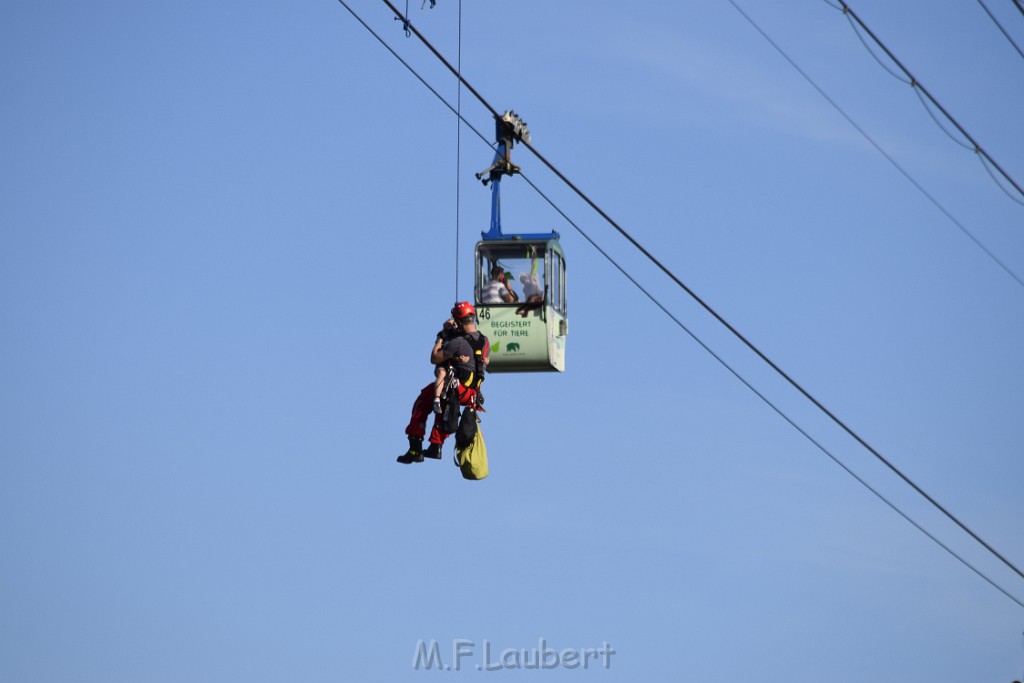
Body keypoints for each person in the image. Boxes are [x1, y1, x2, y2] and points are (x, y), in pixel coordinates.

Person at [397, 302, 490, 464]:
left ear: (459, 321)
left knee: (423, 402)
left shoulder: (458, 342)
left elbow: (435, 358)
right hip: (472, 394)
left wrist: (441, 336)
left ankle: (415, 448)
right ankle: (436, 446)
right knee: (444, 407)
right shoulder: (485, 341)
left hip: (457, 388)